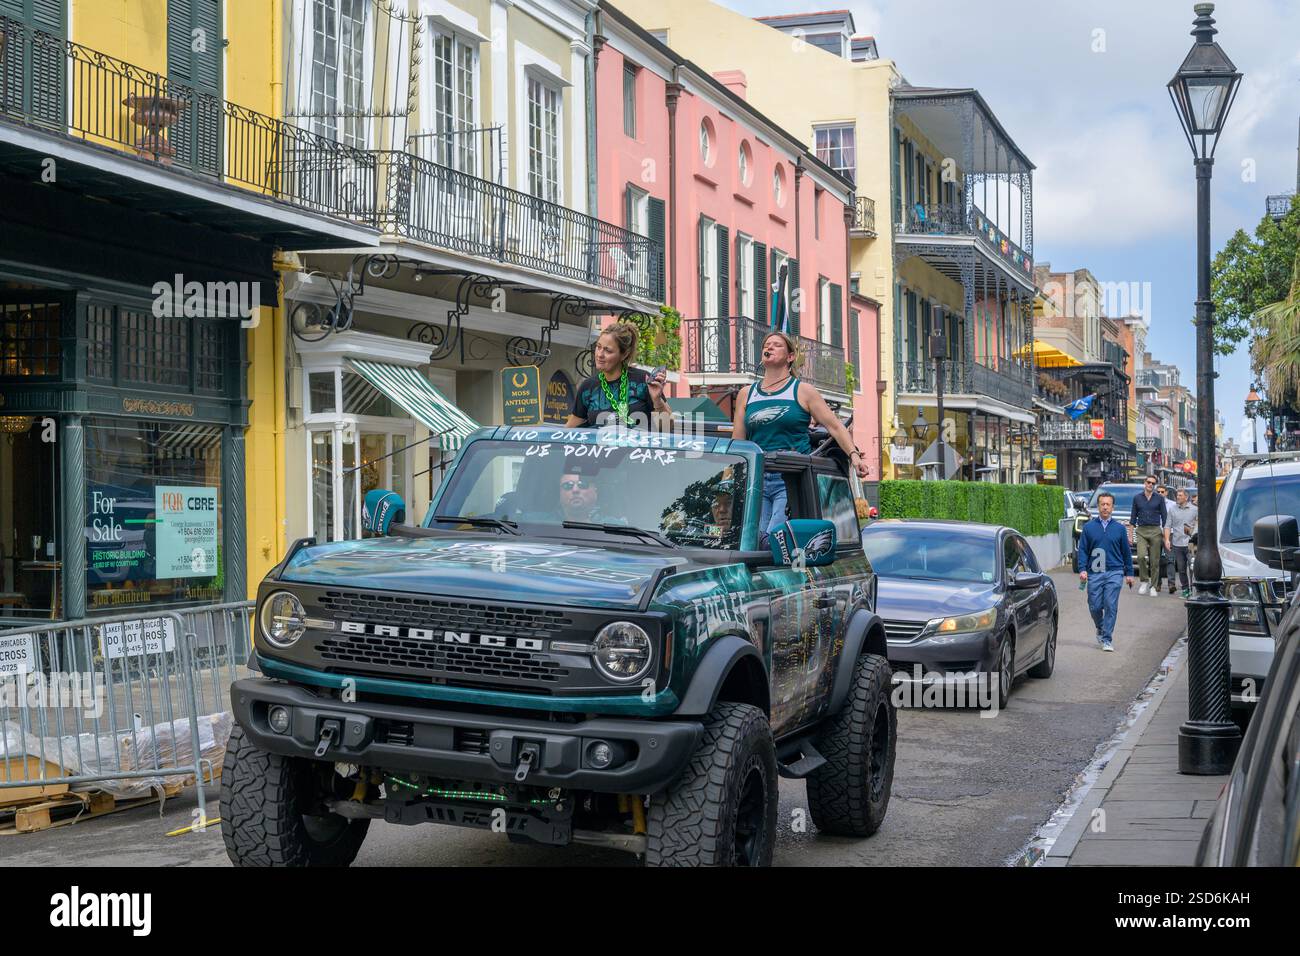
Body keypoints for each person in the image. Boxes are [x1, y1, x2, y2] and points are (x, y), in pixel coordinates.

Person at [731, 330, 868, 544]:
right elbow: (738, 444)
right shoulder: (746, 394)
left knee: (773, 539)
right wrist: (730, 478)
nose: (769, 347)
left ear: (790, 357)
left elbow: (835, 426)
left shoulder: (803, 391)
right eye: (766, 345)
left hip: (789, 479)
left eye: (776, 345)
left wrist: (854, 455)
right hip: (756, 478)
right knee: (751, 540)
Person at [567, 322, 670, 429]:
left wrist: (657, 400)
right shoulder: (588, 386)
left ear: (624, 354)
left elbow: (667, 425)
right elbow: (570, 429)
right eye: (598, 347)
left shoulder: (643, 380)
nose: (599, 354)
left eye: (608, 350)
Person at [1078, 490, 1135, 651]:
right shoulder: (1089, 528)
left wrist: (1129, 573)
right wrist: (1082, 569)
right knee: (1095, 606)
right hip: (1095, 571)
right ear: (1098, 506)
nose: (1105, 507)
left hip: (1115, 572)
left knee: (1110, 605)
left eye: (1108, 505)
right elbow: (1082, 550)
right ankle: (1101, 627)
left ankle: (1107, 639)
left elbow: (1126, 552)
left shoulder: (1119, 529)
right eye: (1102, 504)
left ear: (1112, 507)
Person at [1130, 475, 1167, 596]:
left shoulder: (1159, 498)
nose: (1150, 484)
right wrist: (1130, 535)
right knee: (1140, 556)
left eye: (1153, 483)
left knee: (1155, 560)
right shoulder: (1137, 498)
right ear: (1144, 483)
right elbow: (1132, 518)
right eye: (1148, 482)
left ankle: (1153, 586)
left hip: (1155, 530)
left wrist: (1166, 537)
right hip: (1141, 530)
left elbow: (1165, 518)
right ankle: (1144, 581)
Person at [1167, 487, 1198, 598]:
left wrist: (1195, 533)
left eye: (1180, 495)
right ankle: (1186, 590)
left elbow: (1199, 523)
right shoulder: (1172, 509)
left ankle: (1194, 590)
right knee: (1181, 569)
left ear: (1186, 497)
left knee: (1192, 568)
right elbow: (1167, 526)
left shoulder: (1195, 509)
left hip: (1191, 544)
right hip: (1177, 543)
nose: (1178, 497)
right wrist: (1166, 539)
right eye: (1177, 495)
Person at [1156, 483, 1176, 594]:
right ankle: (1157, 584)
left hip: (1170, 534)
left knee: (1170, 559)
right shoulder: (1153, 503)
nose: (1160, 494)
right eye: (1158, 492)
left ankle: (1171, 584)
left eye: (1162, 492)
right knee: (1155, 559)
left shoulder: (1172, 505)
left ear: (1166, 493)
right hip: (1156, 534)